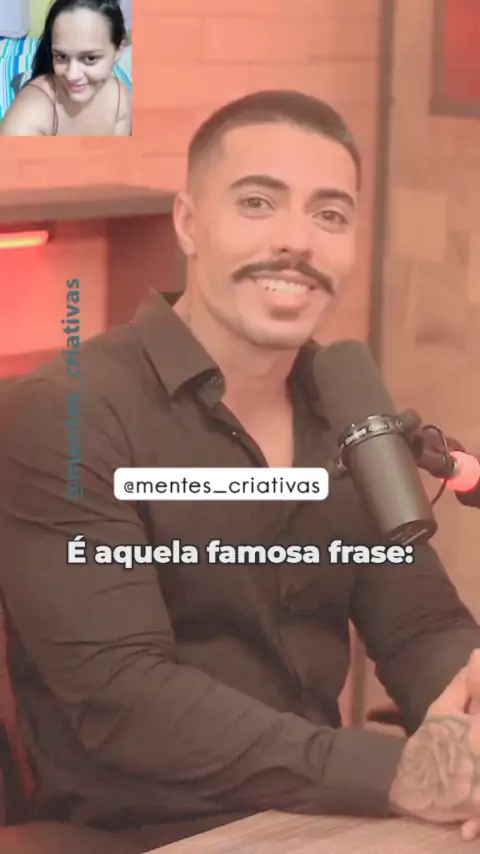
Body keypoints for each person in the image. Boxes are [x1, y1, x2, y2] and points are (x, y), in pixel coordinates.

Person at [1, 89, 480, 851]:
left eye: (330, 215)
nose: (297, 241)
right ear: (189, 223)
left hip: (324, 810)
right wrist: (398, 772)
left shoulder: (344, 407)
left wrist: (470, 730)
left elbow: (421, 626)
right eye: (258, 203)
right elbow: (126, 698)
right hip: (147, 831)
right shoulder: (65, 412)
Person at [0, 0, 131, 136]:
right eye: (61, 56)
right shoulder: (32, 112)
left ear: (118, 51)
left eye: (90, 58)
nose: (72, 75)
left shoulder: (120, 100)